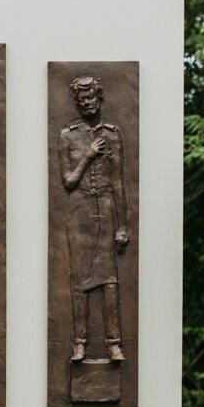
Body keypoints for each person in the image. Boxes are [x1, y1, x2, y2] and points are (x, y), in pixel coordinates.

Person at [57, 74, 129, 364]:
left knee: (109, 279)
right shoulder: (67, 136)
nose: (87, 104)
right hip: (80, 211)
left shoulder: (112, 135)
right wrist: (88, 155)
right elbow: (68, 181)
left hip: (106, 208)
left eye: (91, 98)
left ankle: (114, 344)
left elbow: (119, 183)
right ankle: (80, 344)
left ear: (99, 99)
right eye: (81, 100)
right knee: (80, 280)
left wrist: (123, 226)